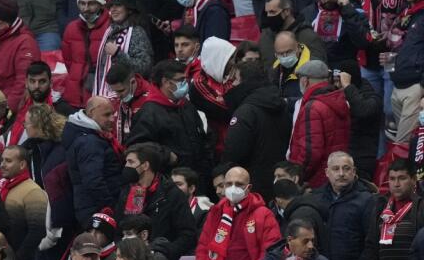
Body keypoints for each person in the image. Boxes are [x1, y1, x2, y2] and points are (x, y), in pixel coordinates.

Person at [196, 166, 282, 260]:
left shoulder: (263, 214)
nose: (232, 188)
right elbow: (203, 247)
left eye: (239, 184)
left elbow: (269, 252)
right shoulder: (215, 212)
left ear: (248, 188)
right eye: (228, 184)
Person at [128, 60, 211, 183]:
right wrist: (166, 155)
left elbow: (201, 136)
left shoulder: (186, 105)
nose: (185, 83)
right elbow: (138, 147)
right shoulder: (149, 113)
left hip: (196, 178)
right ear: (166, 82)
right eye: (180, 80)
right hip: (169, 181)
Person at [221, 60, 292, 202]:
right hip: (277, 180)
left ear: (246, 83)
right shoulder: (282, 105)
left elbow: (234, 151)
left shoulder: (246, 111)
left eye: (236, 79)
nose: (233, 84)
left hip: (251, 185)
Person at [117, 142, 197, 260]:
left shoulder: (172, 194)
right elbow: (119, 227)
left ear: (145, 166)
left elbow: (188, 234)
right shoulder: (128, 192)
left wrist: (165, 251)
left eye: (131, 162)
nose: (126, 166)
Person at [305, 152, 374, 260]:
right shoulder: (315, 198)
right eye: (336, 169)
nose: (341, 173)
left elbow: (371, 240)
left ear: (354, 172)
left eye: (346, 168)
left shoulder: (366, 200)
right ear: (327, 172)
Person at [363, 159, 424, 260]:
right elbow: (370, 245)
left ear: (413, 180)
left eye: (402, 178)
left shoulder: (421, 207)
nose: (396, 184)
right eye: (392, 179)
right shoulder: (380, 208)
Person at [287, 60, 351, 187]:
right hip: (334, 176)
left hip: (316, 180)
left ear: (305, 81)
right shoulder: (340, 100)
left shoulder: (312, 107)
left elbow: (311, 151)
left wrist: (298, 175)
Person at [63, 96, 123, 227]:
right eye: (107, 115)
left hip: (91, 207)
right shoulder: (89, 142)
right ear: (91, 113)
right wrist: (111, 206)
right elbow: (93, 180)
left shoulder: (88, 136)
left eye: (113, 114)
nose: (112, 119)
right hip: (96, 210)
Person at [0, 145, 47, 260]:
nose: (2, 164)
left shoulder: (33, 192)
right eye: (2, 160)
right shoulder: (2, 187)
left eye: (8, 161)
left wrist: (18, 259)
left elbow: (38, 231)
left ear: (22, 164)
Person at [389, 0, 424, 144]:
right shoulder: (404, 12)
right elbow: (396, 47)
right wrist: (389, 63)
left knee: (402, 144)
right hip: (396, 84)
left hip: (415, 88)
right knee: (405, 143)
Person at [61, 0, 110, 107]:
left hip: (100, 95)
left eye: (91, 3)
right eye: (82, 3)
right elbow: (68, 61)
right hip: (74, 95)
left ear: (101, 5)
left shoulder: (111, 27)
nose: (86, 8)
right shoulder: (71, 28)